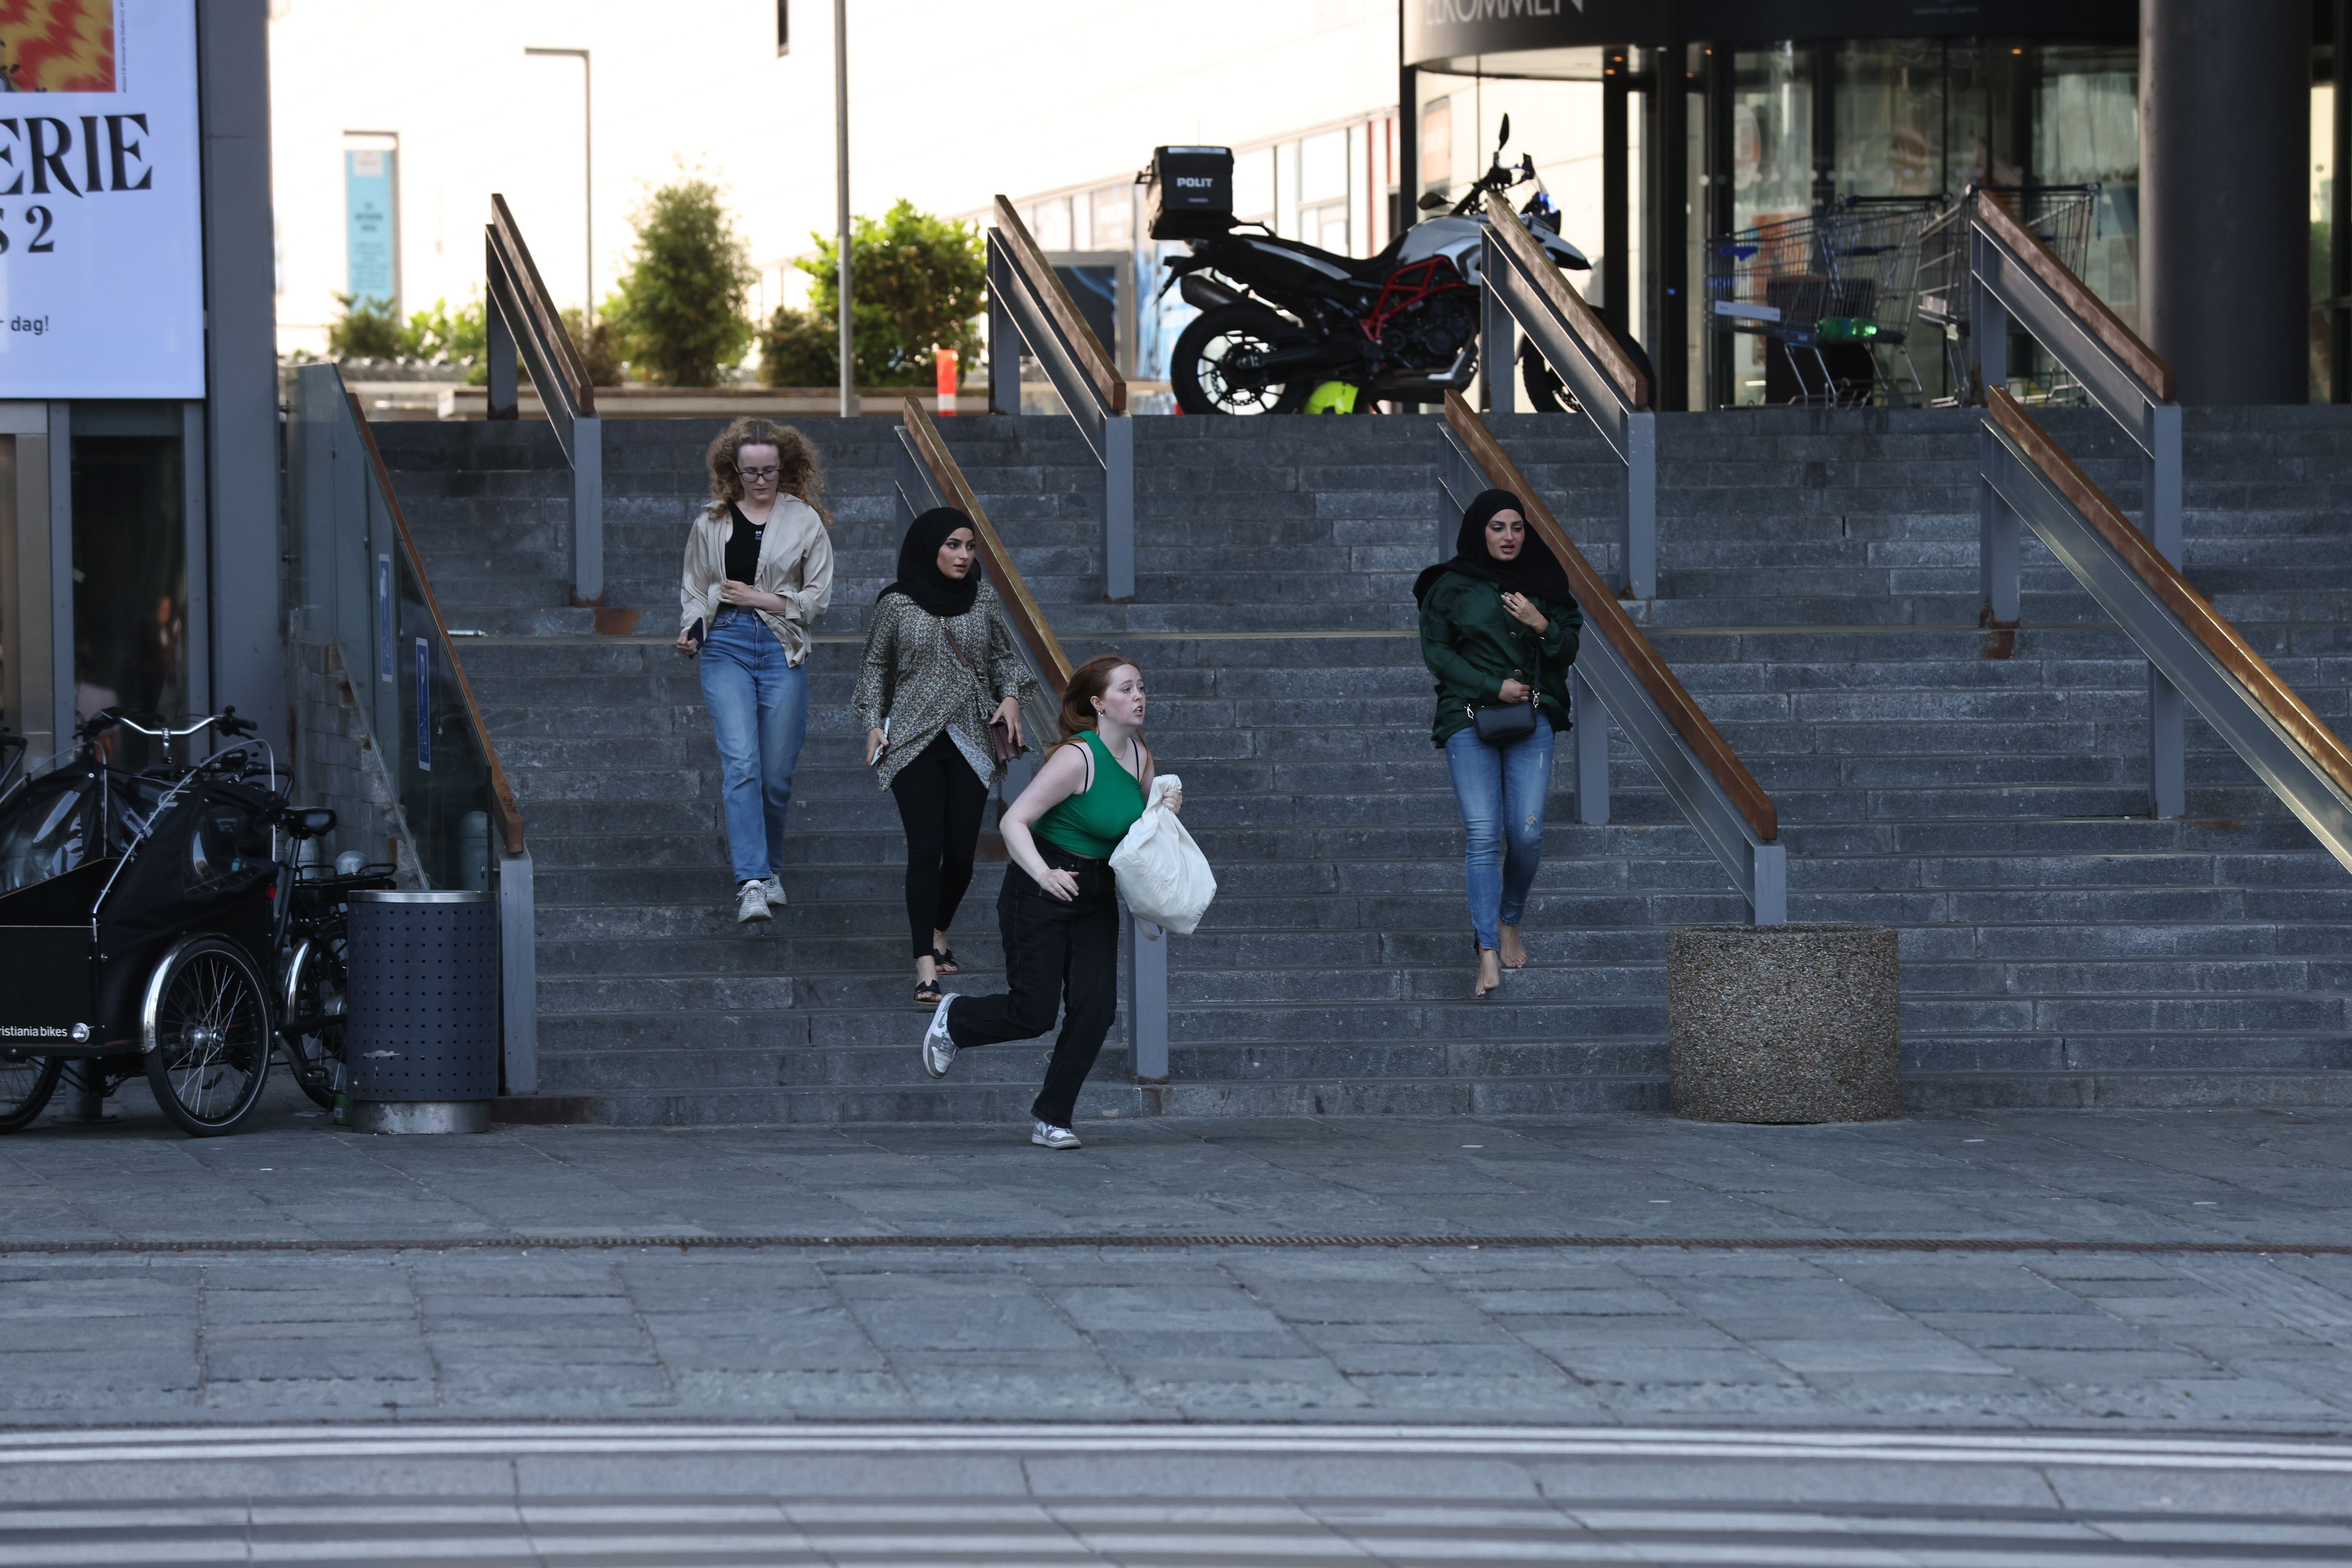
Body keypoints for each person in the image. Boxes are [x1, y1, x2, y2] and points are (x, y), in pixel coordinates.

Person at [916, 654, 1179, 1149]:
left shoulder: (1142, 756)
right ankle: (955, 1018)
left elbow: (1138, 833)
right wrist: (1043, 872)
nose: (1139, 697)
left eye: (1141, 687)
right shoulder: (1077, 757)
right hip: (1040, 887)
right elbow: (1014, 821)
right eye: (1126, 689)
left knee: (1096, 1007)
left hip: (1096, 890)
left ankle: (1052, 1117)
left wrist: (1163, 808)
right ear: (1098, 703)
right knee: (1032, 1012)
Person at [854, 506, 1040, 1006]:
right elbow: (876, 667)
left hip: (972, 737)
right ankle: (924, 965)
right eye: (953, 545)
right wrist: (873, 721)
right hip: (913, 738)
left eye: (970, 546)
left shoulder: (981, 598)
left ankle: (939, 927)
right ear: (929, 546)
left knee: (961, 854)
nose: (963, 555)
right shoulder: (895, 603)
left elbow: (1003, 657)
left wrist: (1013, 696)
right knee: (925, 848)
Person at [1414, 488, 1581, 999]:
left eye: (1517, 527)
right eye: (1497, 527)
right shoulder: (1451, 586)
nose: (1509, 537)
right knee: (1484, 834)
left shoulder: (1546, 582)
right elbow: (1438, 655)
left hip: (1532, 716)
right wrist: (1492, 687)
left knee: (1527, 832)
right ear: (1479, 531)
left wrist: (1540, 623)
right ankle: (1487, 950)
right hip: (1469, 714)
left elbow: (1568, 647)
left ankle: (1509, 918)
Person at [675, 418, 834, 924]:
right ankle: (751, 882)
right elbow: (698, 590)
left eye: (769, 471)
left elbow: (818, 599)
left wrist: (759, 597)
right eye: (751, 472)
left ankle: (769, 870)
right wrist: (693, 630)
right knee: (741, 764)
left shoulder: (805, 520)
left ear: (784, 467)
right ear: (733, 471)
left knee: (776, 776)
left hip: (782, 647)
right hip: (726, 645)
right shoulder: (711, 522)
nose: (761, 480)